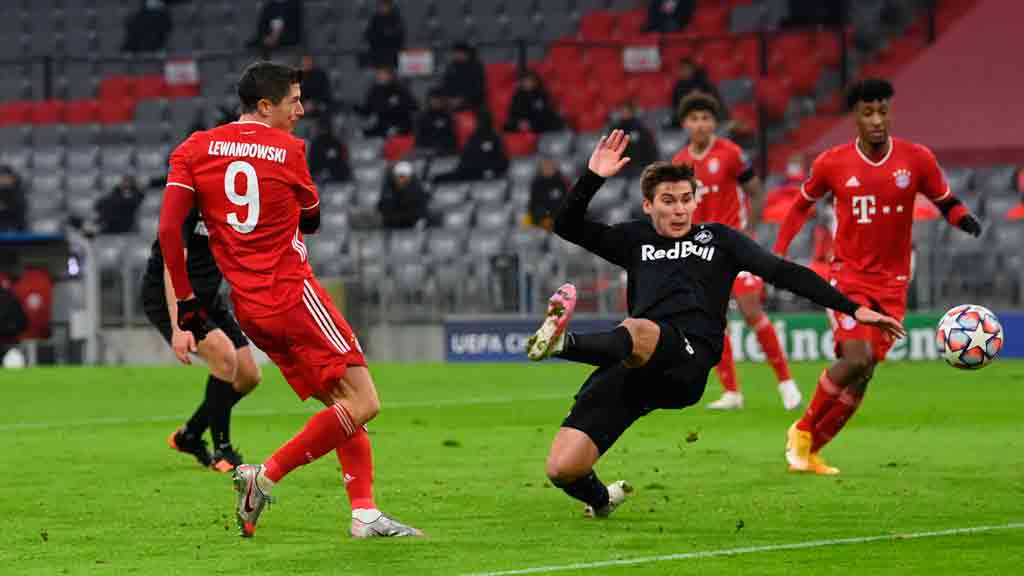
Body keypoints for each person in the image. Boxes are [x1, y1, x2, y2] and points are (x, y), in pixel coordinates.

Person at [525, 130, 904, 517]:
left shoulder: (719, 239)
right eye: (668, 202)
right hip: (633, 361)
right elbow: (567, 225)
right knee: (563, 468)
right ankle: (603, 501)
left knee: (639, 328)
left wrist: (852, 309)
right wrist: (593, 177)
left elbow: (782, 271)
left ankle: (561, 344)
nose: (679, 210)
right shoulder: (633, 238)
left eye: (686, 200)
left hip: (686, 362)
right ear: (648, 205)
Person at [158, 61, 421, 538]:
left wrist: (187, 304)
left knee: (341, 405)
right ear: (265, 106)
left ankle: (364, 513)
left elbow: (167, 231)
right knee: (365, 401)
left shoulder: (193, 149)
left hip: (251, 309)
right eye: (292, 101)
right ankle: (266, 475)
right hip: (294, 294)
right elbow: (313, 218)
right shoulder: (288, 149)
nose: (300, 110)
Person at [774, 78, 982, 475]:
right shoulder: (831, 162)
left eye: (882, 111)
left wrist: (963, 219)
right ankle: (801, 431)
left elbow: (945, 200)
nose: (876, 120)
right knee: (858, 357)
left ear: (890, 113)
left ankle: (812, 451)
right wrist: (780, 253)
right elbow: (801, 205)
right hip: (848, 279)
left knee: (865, 373)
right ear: (855, 117)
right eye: (867, 113)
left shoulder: (916, 158)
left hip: (893, 284)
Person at [672, 92, 800, 411]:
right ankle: (732, 392)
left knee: (751, 309)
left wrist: (749, 232)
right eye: (694, 119)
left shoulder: (730, 153)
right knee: (712, 320)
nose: (701, 124)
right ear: (685, 124)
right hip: (699, 252)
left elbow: (755, 191)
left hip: (733, 246)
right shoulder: (678, 163)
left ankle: (786, 383)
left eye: (706, 118)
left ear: (714, 123)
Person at [141, 207, 261, 472]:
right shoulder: (184, 202)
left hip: (208, 298)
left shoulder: (229, 198)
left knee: (249, 376)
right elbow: (173, 267)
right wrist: (179, 326)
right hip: (172, 297)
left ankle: (189, 436)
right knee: (225, 357)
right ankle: (223, 451)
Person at [433, 108, 508, 183]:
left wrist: (492, 171)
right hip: (468, 172)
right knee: (437, 179)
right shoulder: (473, 137)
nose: (473, 123)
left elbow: (502, 161)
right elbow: (466, 159)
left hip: (483, 174)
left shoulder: (494, 138)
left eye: (476, 121)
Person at [360, 66, 418, 138]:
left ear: (391, 75)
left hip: (400, 128)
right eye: (378, 74)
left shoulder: (400, 89)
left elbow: (413, 107)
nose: (380, 76)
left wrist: (398, 103)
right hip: (380, 128)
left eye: (383, 74)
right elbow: (367, 110)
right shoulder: (374, 91)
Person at [669, 59, 721, 128]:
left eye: (686, 69)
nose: (684, 71)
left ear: (692, 69)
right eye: (682, 69)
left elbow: (713, 99)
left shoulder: (703, 81)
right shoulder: (678, 87)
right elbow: (676, 106)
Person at [609, 102, 657, 177]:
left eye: (626, 111)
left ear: (632, 112)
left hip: (638, 166)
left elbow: (650, 148)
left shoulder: (641, 128)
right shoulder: (616, 129)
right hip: (620, 168)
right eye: (622, 111)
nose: (624, 114)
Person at [438, 42, 486, 112]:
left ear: (466, 54)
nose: (455, 55)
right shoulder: (452, 67)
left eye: (458, 53)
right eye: (455, 53)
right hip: (452, 103)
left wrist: (462, 100)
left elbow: (478, 89)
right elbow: (445, 85)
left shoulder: (476, 67)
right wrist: (447, 99)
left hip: (472, 104)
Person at [378, 161, 427, 229]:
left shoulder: (417, 191)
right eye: (400, 176)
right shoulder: (388, 190)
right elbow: (383, 208)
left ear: (410, 177)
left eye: (405, 177)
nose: (402, 180)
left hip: (411, 225)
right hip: (390, 225)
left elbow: (420, 211)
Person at [528, 158, 570, 231]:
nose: (548, 169)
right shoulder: (536, 184)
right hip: (541, 219)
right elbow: (533, 204)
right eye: (545, 167)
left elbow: (565, 202)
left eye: (550, 167)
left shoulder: (561, 182)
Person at [363, 0, 406, 69]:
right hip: (378, 52)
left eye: (385, 5)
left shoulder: (396, 18)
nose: (383, 7)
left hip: (393, 53)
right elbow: (369, 35)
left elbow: (400, 36)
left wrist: (388, 34)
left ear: (390, 6)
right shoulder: (375, 18)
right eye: (381, 5)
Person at [415, 89, 457, 153]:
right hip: (427, 151)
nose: (436, 102)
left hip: (445, 151)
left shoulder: (448, 116)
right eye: (434, 100)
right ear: (429, 101)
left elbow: (451, 136)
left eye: (439, 100)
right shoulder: (422, 117)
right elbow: (419, 137)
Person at [299, 54, 333, 119]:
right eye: (304, 61)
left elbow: (326, 92)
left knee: (324, 109)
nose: (306, 63)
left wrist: (314, 103)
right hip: (303, 106)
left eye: (308, 61)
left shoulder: (320, 75)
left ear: (312, 62)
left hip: (319, 104)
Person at [0, 165, 27, 232]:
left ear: (12, 178)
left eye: (6, 177)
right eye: (1, 177)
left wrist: (5, 207)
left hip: (14, 226)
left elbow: (20, 210)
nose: (4, 180)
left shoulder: (17, 192)